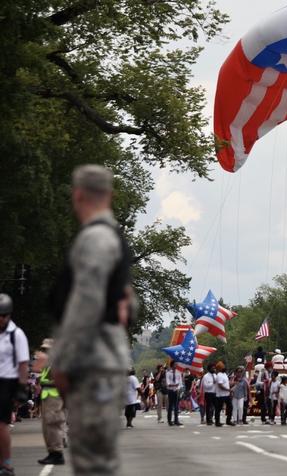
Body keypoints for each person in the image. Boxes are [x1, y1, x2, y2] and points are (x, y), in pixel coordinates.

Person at [50, 165, 134, 476]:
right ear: (110, 196)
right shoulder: (113, 237)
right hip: (104, 357)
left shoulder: (95, 238)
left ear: (77, 195)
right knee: (99, 460)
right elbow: (127, 300)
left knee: (92, 463)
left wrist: (62, 360)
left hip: (91, 361)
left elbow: (86, 301)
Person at [0, 293, 30, 476]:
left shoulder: (16, 335)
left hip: (7, 382)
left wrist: (22, 387)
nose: (1, 319)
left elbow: (23, 364)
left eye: (4, 315)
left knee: (1, 425)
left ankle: (7, 464)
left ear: (9, 315)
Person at [36, 338, 66, 466]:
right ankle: (52, 452)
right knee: (47, 426)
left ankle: (57, 453)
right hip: (47, 394)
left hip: (54, 394)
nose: (45, 351)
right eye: (44, 349)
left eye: (47, 349)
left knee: (53, 424)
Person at [214, 361, 234, 426]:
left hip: (226, 394)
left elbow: (227, 383)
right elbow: (220, 385)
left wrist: (233, 383)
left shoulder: (225, 374)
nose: (224, 368)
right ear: (219, 368)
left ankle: (228, 420)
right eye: (223, 367)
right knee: (218, 409)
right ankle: (217, 422)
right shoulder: (219, 375)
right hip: (220, 395)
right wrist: (228, 390)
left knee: (230, 407)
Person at [165, 360, 183, 426]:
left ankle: (176, 420)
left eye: (176, 364)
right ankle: (169, 420)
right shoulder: (168, 373)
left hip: (177, 391)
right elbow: (168, 383)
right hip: (170, 391)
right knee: (170, 406)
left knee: (176, 406)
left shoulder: (178, 373)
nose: (176, 366)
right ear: (172, 365)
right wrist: (175, 385)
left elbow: (180, 383)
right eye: (175, 364)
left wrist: (178, 388)